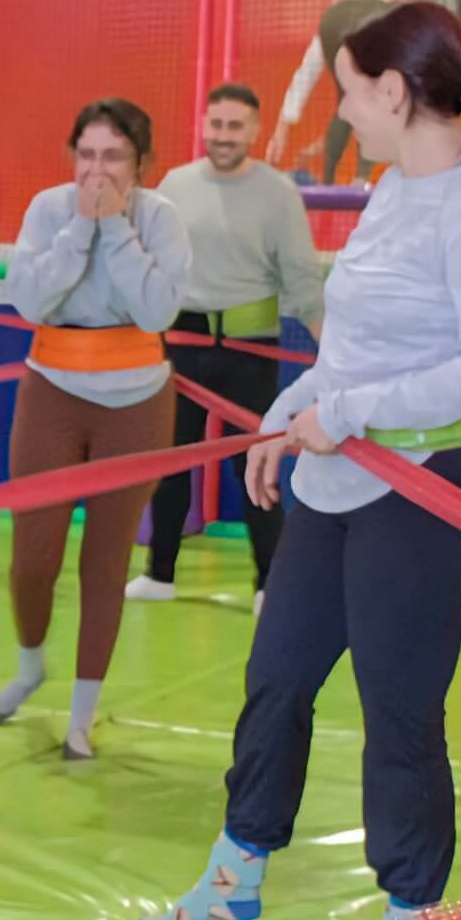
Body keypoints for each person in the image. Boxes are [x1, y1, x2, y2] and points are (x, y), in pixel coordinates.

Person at [132, 3, 461, 920]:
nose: (342, 111)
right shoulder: (388, 190)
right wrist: (286, 416)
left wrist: (344, 411)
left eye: (349, 91)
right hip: (341, 467)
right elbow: (347, 346)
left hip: (438, 475)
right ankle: (234, 872)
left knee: (396, 705)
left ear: (396, 93)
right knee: (275, 671)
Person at [0, 98, 192, 760]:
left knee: (105, 563)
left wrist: (118, 233)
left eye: (113, 157)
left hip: (136, 402)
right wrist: (80, 228)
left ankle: (82, 714)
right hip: (52, 389)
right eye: (87, 155)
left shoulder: (162, 220)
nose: (97, 171)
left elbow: (158, 309)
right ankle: (28, 666)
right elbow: (29, 299)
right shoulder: (48, 210)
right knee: (33, 557)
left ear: (140, 165)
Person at [128, 82, 325, 611]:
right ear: (203, 125)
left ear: (255, 131)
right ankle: (159, 573)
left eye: (235, 127)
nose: (223, 136)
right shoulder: (175, 184)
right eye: (216, 125)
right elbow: (151, 263)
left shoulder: (278, 193)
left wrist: (333, 350)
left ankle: (268, 584)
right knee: (171, 460)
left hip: (250, 349)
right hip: (181, 344)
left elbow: (303, 279)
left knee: (255, 466)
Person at [267, 0, 400, 182]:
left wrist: (282, 129)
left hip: (333, 17)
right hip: (375, 14)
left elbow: (307, 73)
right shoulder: (395, 22)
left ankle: (327, 183)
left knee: (347, 101)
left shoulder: (341, 11)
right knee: (371, 102)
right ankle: (361, 181)